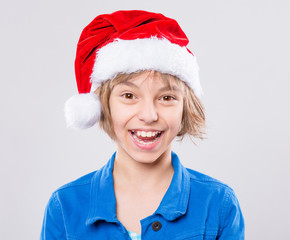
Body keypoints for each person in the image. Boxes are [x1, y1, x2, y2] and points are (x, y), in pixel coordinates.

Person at [41, 10, 245, 240]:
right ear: (102, 106)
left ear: (185, 108)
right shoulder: (64, 207)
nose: (149, 115)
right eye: (129, 96)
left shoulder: (218, 205)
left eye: (167, 98)